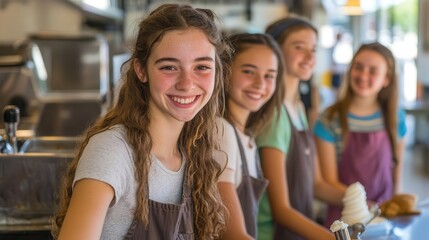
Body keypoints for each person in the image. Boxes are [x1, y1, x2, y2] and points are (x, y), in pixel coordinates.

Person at [51, 4, 232, 239]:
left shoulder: (196, 151)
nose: (187, 83)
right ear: (141, 70)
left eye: (202, 67)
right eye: (169, 67)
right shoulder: (114, 150)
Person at [256, 15, 344, 240]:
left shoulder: (299, 110)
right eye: (299, 47)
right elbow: (281, 210)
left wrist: (366, 203)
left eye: (314, 49)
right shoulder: (274, 115)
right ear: (275, 51)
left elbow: (316, 185)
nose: (310, 57)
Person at [313, 42, 407, 227]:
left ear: (386, 79)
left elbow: (396, 177)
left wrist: (398, 210)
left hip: (385, 219)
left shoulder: (396, 119)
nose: (363, 75)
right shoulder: (329, 119)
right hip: (344, 222)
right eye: (358, 67)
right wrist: (363, 206)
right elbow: (328, 181)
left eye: (373, 70)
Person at [214, 33, 285, 239]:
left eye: (269, 75)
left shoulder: (247, 136)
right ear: (225, 71)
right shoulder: (221, 130)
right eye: (248, 71)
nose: (260, 84)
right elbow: (233, 233)